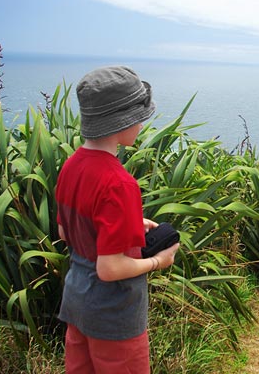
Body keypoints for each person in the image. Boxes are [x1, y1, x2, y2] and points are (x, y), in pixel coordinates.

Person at [55, 66, 180, 373]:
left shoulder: (71, 166)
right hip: (114, 314)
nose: (141, 123)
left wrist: (126, 225)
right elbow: (110, 269)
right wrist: (159, 261)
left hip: (77, 303)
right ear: (120, 122)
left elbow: (65, 230)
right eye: (138, 116)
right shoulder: (119, 183)